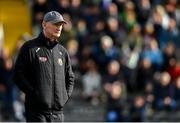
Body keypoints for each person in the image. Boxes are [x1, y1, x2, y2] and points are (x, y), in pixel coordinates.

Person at [13, 11, 75, 122]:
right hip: (36, 112)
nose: (59, 27)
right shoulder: (29, 48)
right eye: (56, 24)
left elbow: (70, 78)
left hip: (58, 114)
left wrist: (64, 96)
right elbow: (18, 75)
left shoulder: (62, 51)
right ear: (44, 24)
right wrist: (33, 93)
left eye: (61, 24)